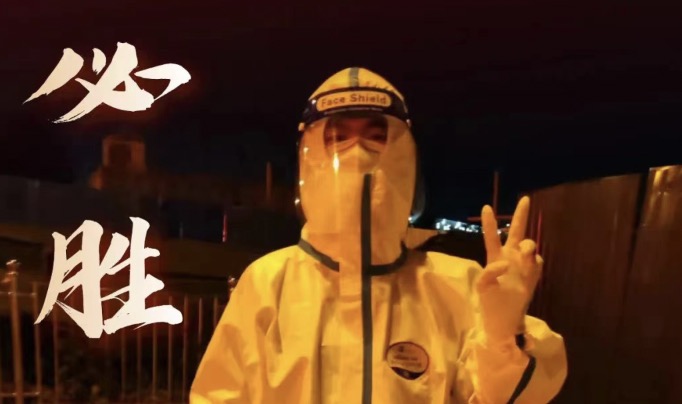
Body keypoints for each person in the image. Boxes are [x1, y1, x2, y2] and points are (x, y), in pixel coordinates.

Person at [190, 67, 567, 403]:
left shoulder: (457, 284)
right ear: (310, 156)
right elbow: (219, 395)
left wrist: (505, 336)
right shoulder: (268, 283)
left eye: (376, 136)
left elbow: (504, 397)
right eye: (339, 137)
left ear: (403, 156)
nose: (357, 152)